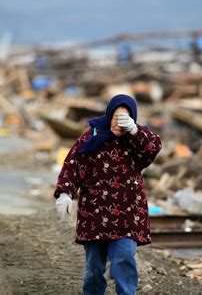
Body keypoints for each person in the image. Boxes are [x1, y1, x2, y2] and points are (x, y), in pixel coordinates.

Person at [54, 94, 162, 295]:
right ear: (109, 115)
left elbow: (152, 150)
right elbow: (73, 166)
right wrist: (65, 193)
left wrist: (135, 130)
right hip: (95, 215)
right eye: (116, 117)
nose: (119, 122)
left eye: (124, 118)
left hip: (128, 214)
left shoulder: (137, 140)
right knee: (94, 268)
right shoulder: (92, 137)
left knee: (124, 259)